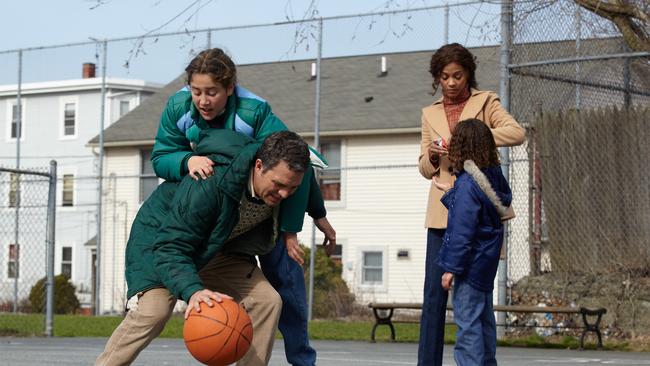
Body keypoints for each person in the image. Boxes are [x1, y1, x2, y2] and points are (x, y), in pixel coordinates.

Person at [151, 48, 333, 365]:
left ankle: (302, 359)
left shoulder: (254, 112)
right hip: (216, 213)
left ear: (230, 87)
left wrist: (302, 224)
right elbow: (160, 157)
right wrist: (186, 159)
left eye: (212, 92)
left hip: (260, 211)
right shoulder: (179, 107)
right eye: (197, 91)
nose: (203, 100)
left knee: (284, 276)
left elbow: (297, 162)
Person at [96, 130, 312, 366]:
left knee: (267, 301)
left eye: (292, 188)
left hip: (216, 250)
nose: (284, 194)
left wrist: (319, 217)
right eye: (279, 185)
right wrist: (193, 291)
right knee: (153, 312)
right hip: (162, 244)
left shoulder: (288, 181)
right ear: (259, 166)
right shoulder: (209, 184)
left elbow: (308, 184)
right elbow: (171, 246)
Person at [417, 43, 525, 366]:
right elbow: (424, 167)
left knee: (475, 299)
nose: (451, 83)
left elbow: (516, 132)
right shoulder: (429, 113)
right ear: (437, 78)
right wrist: (434, 156)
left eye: (458, 76)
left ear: (468, 74)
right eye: (444, 77)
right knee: (434, 298)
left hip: (477, 209)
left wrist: (473, 138)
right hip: (442, 209)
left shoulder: (486, 101)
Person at [434, 118, 512, 366]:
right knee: (484, 321)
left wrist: (450, 269)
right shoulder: (493, 177)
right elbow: (485, 208)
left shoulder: (468, 184)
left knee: (467, 324)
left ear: (460, 148)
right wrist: (452, 192)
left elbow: (462, 231)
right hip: (486, 262)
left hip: (470, 265)